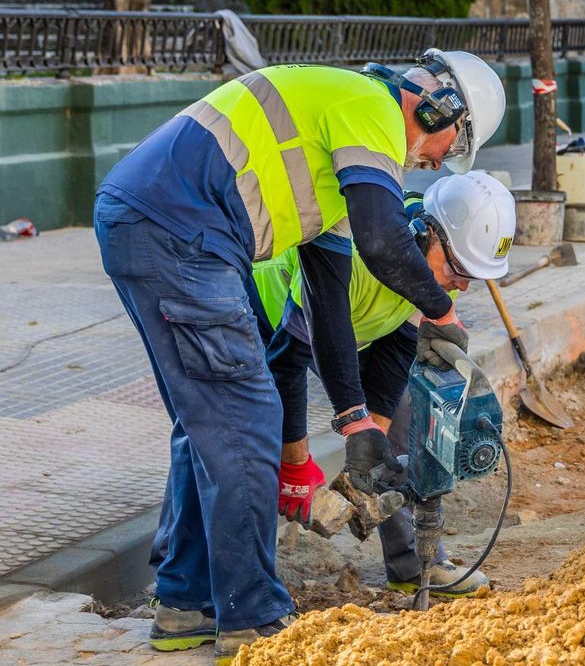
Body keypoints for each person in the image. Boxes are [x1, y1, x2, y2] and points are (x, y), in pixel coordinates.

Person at [95, 49, 503, 663]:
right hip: (182, 231)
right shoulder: (371, 111)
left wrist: (355, 421)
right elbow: (384, 239)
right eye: (453, 144)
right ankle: (253, 618)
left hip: (157, 221)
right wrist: (441, 314)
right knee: (245, 420)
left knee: (206, 422)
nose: (440, 160)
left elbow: (326, 299)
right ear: (439, 107)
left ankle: (187, 603)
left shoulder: (342, 151)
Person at [260, 171, 515, 600]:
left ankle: (417, 564)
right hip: (267, 316)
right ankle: (203, 588)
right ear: (429, 235)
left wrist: (369, 455)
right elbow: (288, 364)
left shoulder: (423, 269)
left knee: (400, 426)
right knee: (235, 431)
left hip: (353, 327)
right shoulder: (359, 256)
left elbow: (396, 351)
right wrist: (295, 463)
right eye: (459, 270)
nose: (463, 285)